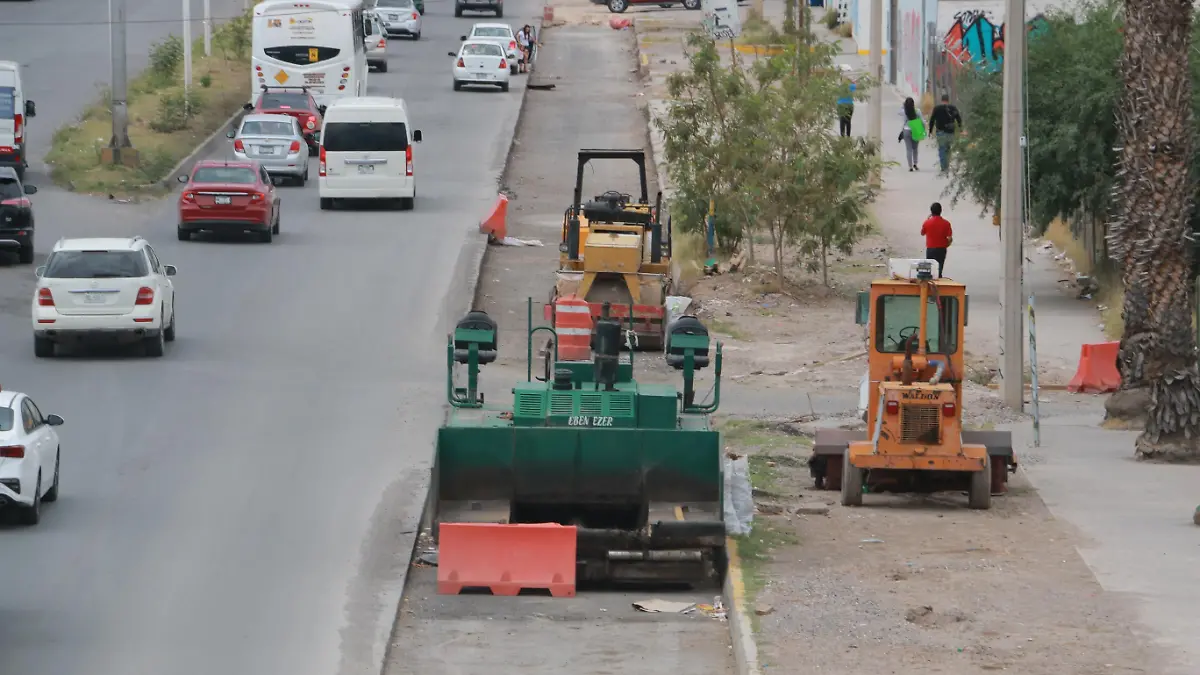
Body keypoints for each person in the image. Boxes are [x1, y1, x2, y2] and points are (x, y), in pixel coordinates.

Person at [928, 94, 963, 174]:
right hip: (950, 132)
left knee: (942, 149)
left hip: (940, 132)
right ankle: (946, 166)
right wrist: (961, 129)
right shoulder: (953, 108)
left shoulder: (937, 108)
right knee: (948, 149)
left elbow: (932, 119)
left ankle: (944, 167)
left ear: (941, 100)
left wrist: (930, 130)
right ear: (948, 100)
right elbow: (958, 119)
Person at [921, 202, 953, 278]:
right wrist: (946, 245)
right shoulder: (946, 223)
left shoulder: (927, 222)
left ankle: (930, 285)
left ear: (931, 211)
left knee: (930, 269)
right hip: (941, 249)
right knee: (939, 269)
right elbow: (950, 238)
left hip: (930, 249)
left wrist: (927, 220)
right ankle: (939, 283)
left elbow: (922, 233)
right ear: (941, 211)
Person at [897, 97, 925, 171]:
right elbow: (922, 121)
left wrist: (903, 105)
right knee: (915, 148)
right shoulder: (917, 111)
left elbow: (898, 112)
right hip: (916, 129)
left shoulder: (904, 111)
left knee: (908, 149)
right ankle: (915, 164)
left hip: (906, 130)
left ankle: (910, 166)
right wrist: (923, 129)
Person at [836, 68, 855, 137]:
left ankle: (842, 136)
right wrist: (851, 81)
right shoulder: (851, 86)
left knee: (842, 121)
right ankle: (848, 136)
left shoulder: (839, 87)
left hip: (841, 105)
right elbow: (854, 85)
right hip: (849, 105)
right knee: (848, 121)